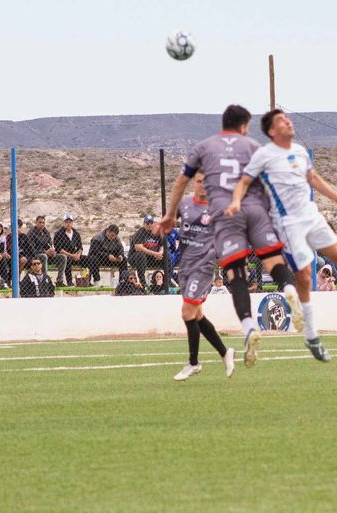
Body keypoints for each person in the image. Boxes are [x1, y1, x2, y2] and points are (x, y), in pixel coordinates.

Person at [226, 109, 337, 362]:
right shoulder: (264, 155)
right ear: (272, 131)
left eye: (287, 118)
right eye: (282, 120)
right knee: (304, 276)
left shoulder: (299, 151)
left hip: (312, 216)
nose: (288, 122)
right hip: (288, 223)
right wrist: (236, 201)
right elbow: (244, 181)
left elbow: (313, 178)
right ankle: (312, 336)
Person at [155, 104, 300, 369]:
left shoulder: (204, 147)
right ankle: (289, 289)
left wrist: (169, 215)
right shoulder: (253, 146)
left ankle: (247, 327)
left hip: (227, 215)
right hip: (254, 210)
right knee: (272, 260)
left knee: (235, 273)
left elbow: (180, 181)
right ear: (244, 126)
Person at [170, 171, 236, 382]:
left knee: (187, 311)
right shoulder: (185, 204)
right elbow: (170, 219)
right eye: (198, 182)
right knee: (197, 315)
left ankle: (193, 362)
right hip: (185, 266)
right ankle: (225, 353)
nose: (202, 186)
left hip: (204, 267)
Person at [26, 215, 68, 287]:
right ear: (36, 223)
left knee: (63, 257)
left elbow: (49, 245)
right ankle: (45, 281)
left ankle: (59, 281)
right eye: (40, 222)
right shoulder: (31, 233)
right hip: (35, 256)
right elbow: (31, 249)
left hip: (47, 255)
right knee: (44, 256)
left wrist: (52, 251)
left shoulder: (46, 232)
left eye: (43, 222)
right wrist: (45, 252)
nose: (42, 224)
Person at [129, 215, 165, 288]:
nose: (149, 225)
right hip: (136, 258)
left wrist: (160, 253)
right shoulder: (140, 233)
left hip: (152, 258)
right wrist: (155, 253)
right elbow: (138, 248)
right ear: (144, 224)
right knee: (141, 255)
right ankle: (143, 282)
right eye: (147, 223)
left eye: (151, 223)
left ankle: (167, 281)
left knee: (167, 255)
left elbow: (163, 245)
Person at [53, 214, 86, 287]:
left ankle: (87, 280)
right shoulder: (58, 234)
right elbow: (59, 249)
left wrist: (78, 255)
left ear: (72, 223)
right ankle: (69, 282)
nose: (68, 224)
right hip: (64, 256)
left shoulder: (76, 233)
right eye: (66, 222)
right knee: (67, 259)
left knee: (88, 259)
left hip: (75, 256)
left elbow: (80, 247)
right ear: (63, 223)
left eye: (70, 222)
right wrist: (72, 255)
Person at [6, 218, 31, 283]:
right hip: (13, 256)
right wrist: (20, 256)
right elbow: (9, 249)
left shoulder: (24, 236)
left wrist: (27, 256)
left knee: (34, 260)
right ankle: (16, 279)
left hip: (24, 256)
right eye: (16, 227)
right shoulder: (9, 237)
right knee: (22, 260)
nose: (18, 229)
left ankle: (29, 282)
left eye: (19, 227)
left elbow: (29, 249)